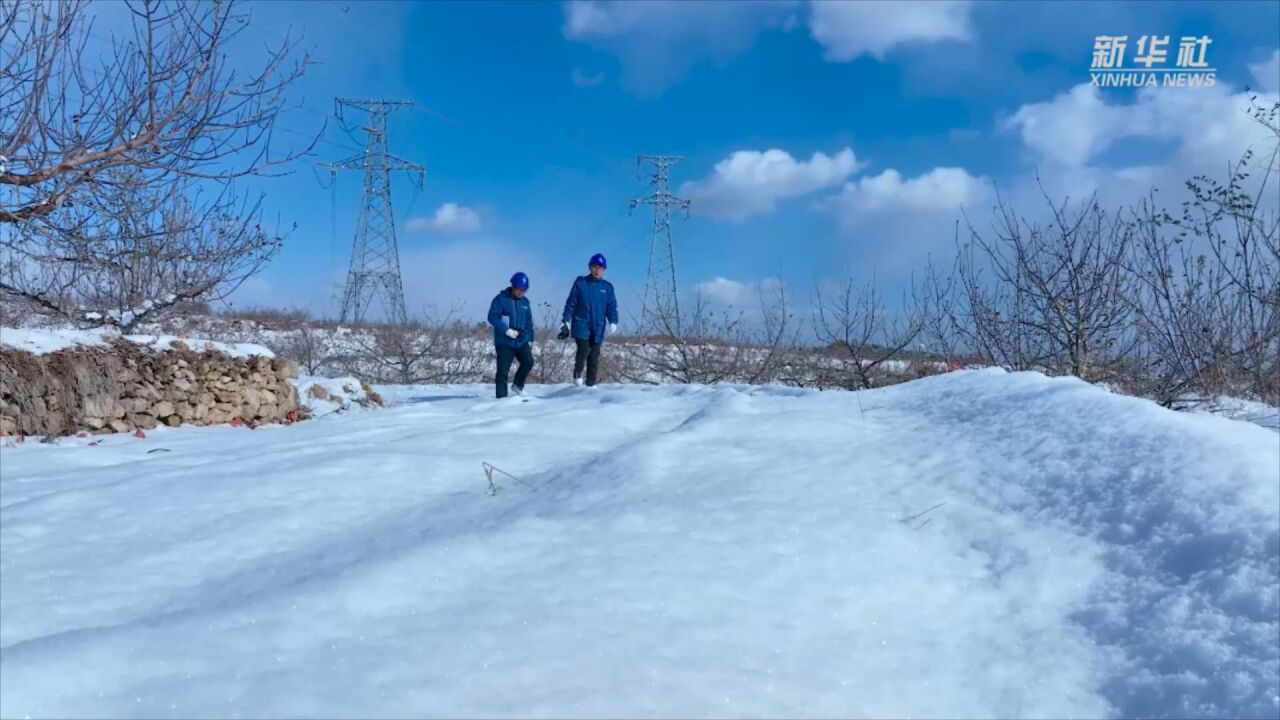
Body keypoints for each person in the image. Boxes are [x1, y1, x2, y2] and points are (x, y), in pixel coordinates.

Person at [559, 253, 618, 387]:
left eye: (600, 268)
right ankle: (577, 375)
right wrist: (566, 321)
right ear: (590, 267)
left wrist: (613, 320)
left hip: (598, 327)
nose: (597, 270)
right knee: (584, 349)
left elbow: (611, 307)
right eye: (595, 267)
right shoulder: (581, 283)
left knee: (594, 356)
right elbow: (571, 304)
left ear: (604, 270)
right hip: (581, 324)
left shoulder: (607, 287)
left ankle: (591, 385)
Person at [487, 272, 535, 399]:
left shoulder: (525, 303)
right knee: (503, 372)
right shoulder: (500, 299)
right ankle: (502, 399)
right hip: (504, 343)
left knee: (528, 362)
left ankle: (518, 385)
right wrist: (506, 330)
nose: (521, 292)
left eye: (524, 290)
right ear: (513, 286)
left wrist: (529, 338)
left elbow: (529, 323)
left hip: (521, 341)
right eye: (519, 289)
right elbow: (492, 317)